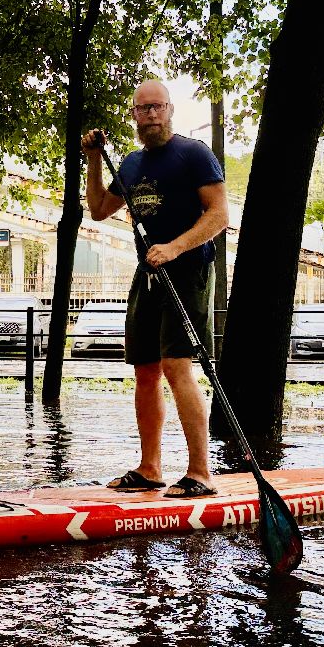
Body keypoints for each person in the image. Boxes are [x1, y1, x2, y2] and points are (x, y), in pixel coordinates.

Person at [83, 80, 228, 498]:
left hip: (189, 270)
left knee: (177, 366)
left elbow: (218, 215)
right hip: (147, 274)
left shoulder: (192, 153)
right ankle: (150, 468)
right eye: (143, 109)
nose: (151, 115)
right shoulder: (128, 164)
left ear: (170, 110)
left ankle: (201, 473)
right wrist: (93, 159)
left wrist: (176, 247)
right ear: (134, 115)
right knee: (144, 370)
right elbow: (97, 210)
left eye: (157, 107)